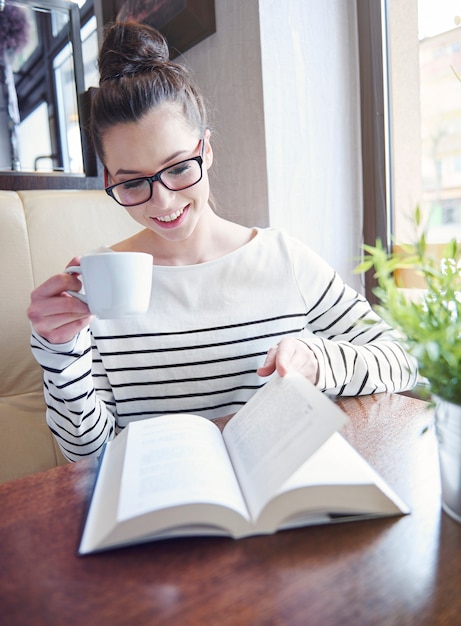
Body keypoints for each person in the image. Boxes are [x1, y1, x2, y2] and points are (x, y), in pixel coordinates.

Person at [27, 21, 418, 462]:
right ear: (108, 180)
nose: (164, 200)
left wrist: (318, 360)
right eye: (133, 183)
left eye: (178, 168)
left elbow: (401, 359)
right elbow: (86, 452)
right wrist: (60, 353)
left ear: (206, 150)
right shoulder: (96, 285)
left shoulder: (282, 259)